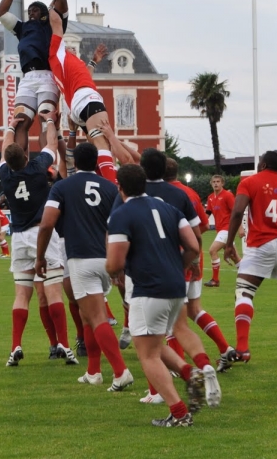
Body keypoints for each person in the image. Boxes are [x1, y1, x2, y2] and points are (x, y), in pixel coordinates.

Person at [106, 164, 207, 427]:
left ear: (120, 187)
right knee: (152, 344)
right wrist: (177, 266)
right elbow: (194, 246)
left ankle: (179, 412)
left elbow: (115, 263)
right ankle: (189, 373)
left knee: (146, 354)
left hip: (149, 289)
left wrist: (112, 271)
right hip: (176, 288)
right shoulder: (169, 209)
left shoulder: (122, 213)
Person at [36, 142, 134, 390]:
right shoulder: (111, 188)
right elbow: (120, 224)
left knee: (96, 317)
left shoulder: (62, 187)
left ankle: (121, 371)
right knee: (87, 316)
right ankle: (93, 371)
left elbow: (47, 224)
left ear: (75, 162)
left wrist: (39, 257)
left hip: (81, 258)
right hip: (107, 258)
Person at [0, 110, 76, 366]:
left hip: (19, 238)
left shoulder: (5, 174)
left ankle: (15, 346)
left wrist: (12, 126)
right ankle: (65, 345)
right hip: (41, 234)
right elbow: (52, 145)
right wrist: (50, 121)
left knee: (22, 295)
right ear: (24, 155)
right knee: (53, 292)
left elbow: (4, 150)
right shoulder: (36, 169)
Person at [224, 151, 277, 365]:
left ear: (262, 165)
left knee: (244, 292)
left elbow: (237, 213)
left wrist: (228, 244)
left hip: (260, 245)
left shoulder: (250, 182)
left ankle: (243, 348)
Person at [164, 159, 236, 369]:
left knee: (173, 318)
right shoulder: (191, 193)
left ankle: (179, 365)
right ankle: (225, 348)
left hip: (176, 260)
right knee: (195, 309)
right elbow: (203, 225)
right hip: (195, 256)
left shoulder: (160, 194)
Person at [0, 0, 68, 152]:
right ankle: (21, 167)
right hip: (27, 78)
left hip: (47, 76)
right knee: (20, 121)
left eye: (36, 10)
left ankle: (47, 164)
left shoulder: (53, 24)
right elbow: (0, 12)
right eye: (30, 11)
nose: (32, 13)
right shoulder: (23, 28)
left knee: (46, 119)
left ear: (45, 13)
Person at [45, 7, 118, 183]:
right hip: (86, 98)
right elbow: (56, 23)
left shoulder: (68, 67)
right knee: (103, 145)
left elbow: (85, 75)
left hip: (78, 106)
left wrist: (94, 61)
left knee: (97, 149)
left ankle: (100, 180)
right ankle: (112, 187)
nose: (71, 48)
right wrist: (51, 6)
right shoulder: (57, 53)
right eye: (69, 46)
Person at [205, 174, 236, 288]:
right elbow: (207, 213)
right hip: (220, 230)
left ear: (222, 183)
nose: (216, 183)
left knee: (212, 250)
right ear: (211, 183)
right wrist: (200, 224)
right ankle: (247, 276)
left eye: (218, 181)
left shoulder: (227, 195)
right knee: (234, 256)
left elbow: (235, 212)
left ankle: (215, 280)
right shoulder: (210, 197)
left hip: (227, 229)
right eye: (214, 182)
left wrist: (241, 228)